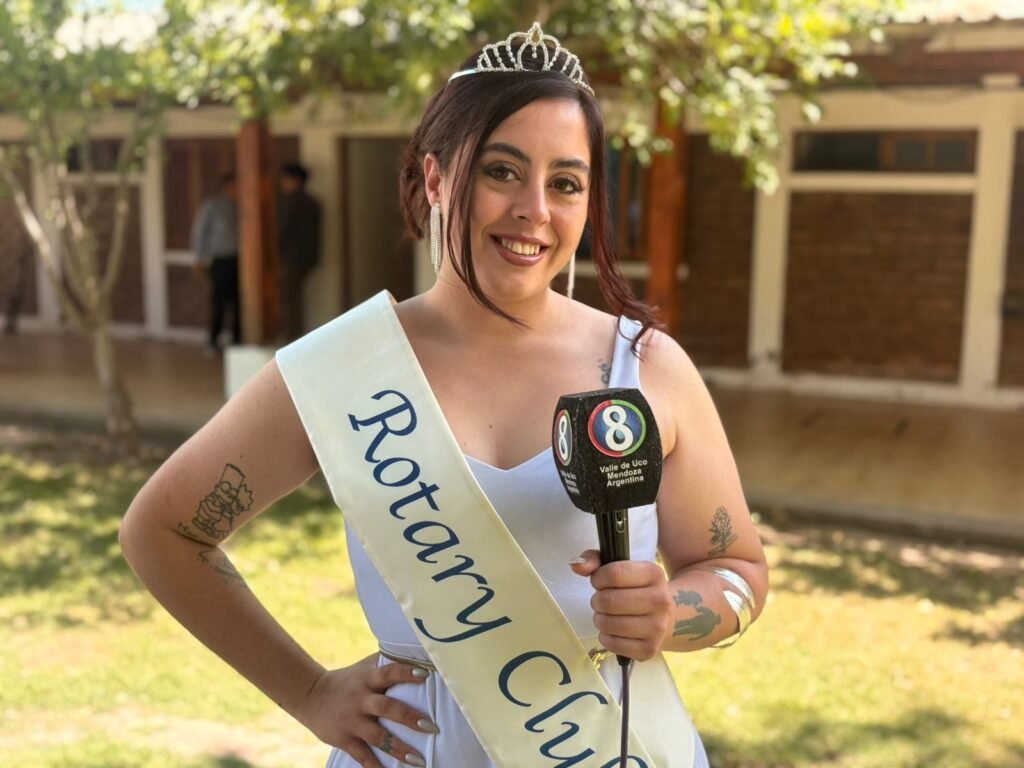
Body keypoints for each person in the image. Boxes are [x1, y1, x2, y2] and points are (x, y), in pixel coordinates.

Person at [122, 23, 768, 768]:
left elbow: (737, 568)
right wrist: (309, 693)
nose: (534, 209)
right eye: (502, 171)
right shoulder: (343, 370)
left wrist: (673, 614)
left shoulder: (646, 367)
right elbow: (161, 531)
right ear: (435, 179)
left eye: (565, 182)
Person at [191, 173, 240, 353]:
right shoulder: (212, 206)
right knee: (219, 301)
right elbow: (200, 232)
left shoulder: (243, 206)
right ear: (226, 187)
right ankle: (213, 340)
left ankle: (238, 340)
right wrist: (199, 258)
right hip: (220, 259)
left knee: (239, 302)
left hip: (239, 260)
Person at [278, 162, 322, 342]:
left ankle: (290, 337)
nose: (283, 183)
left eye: (285, 179)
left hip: (290, 257)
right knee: (294, 298)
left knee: (288, 299)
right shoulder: (313, 202)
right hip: (306, 258)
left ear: (295, 180)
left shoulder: (291, 202)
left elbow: (281, 229)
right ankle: (294, 335)